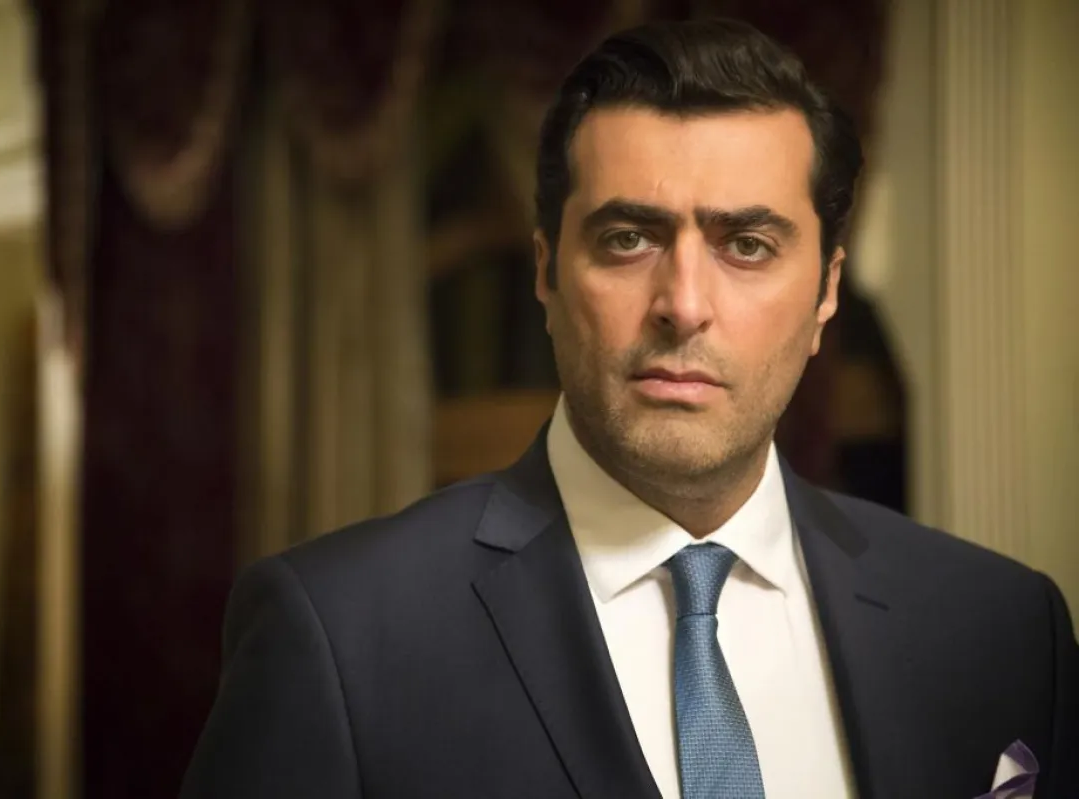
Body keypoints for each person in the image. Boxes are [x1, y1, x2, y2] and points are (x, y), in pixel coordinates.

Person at [180, 19, 1078, 799]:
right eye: (628, 238)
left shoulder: (1003, 628)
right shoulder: (338, 637)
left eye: (747, 244)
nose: (683, 304)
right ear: (546, 271)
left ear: (826, 293)